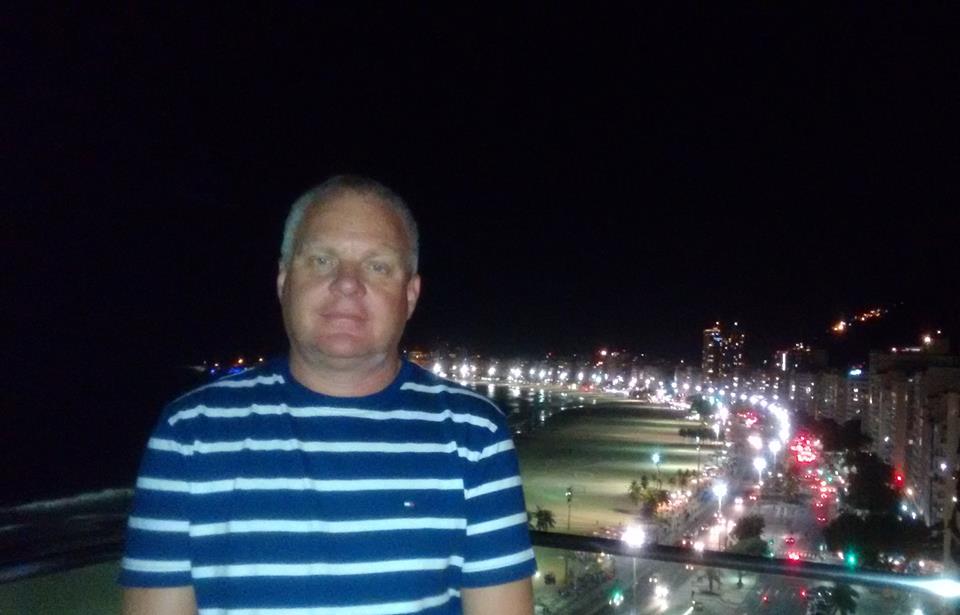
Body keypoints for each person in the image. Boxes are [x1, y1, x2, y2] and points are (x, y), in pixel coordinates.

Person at [120, 175, 536, 614]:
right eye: (321, 260)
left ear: (410, 296)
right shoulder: (190, 433)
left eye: (377, 266)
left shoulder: (474, 434)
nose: (347, 283)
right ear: (283, 281)